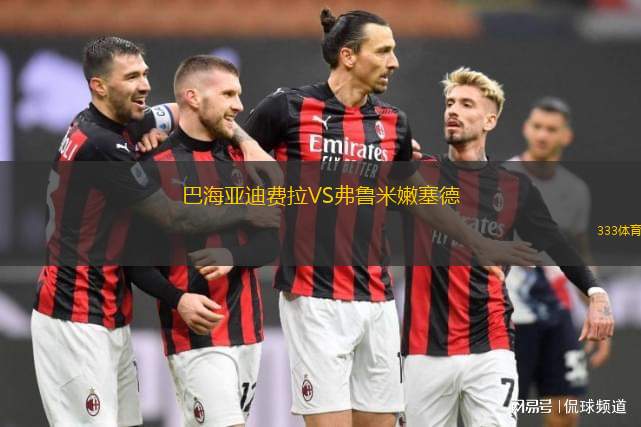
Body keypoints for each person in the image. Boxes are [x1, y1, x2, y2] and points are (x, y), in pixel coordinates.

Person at [243, 10, 539, 427]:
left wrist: (477, 242)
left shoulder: (393, 123)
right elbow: (230, 168)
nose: (394, 62)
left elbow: (418, 196)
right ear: (349, 56)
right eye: (383, 51)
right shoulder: (287, 108)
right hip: (313, 297)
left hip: (378, 298)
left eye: (394, 51)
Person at [31, 37, 278, 426]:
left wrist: (245, 141)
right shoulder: (102, 145)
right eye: (131, 77)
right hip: (73, 310)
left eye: (144, 74)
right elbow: (174, 219)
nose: (145, 85)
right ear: (99, 86)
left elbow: (186, 108)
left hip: (108, 311)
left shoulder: (126, 122)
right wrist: (248, 210)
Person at [400, 68, 614, 427]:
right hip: (425, 348)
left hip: (491, 346)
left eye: (467, 104)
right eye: (450, 103)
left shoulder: (513, 188)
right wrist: (388, 159)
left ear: (490, 120)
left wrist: (595, 292)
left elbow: (558, 244)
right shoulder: (418, 174)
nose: (453, 110)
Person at [135, 54, 280, 427]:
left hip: (247, 330)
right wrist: (178, 299)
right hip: (194, 334)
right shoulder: (155, 164)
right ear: (193, 97)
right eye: (228, 94)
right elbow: (134, 259)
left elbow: (272, 240)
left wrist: (233, 255)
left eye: (239, 94)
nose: (239, 105)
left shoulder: (243, 158)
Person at [504, 97, 610, 427]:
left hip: (558, 314)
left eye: (551, 129)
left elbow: (580, 255)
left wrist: (597, 310)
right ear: (526, 128)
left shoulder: (575, 191)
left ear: (566, 136)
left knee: (565, 414)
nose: (542, 135)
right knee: (501, 414)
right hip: (508, 318)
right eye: (537, 126)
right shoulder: (501, 178)